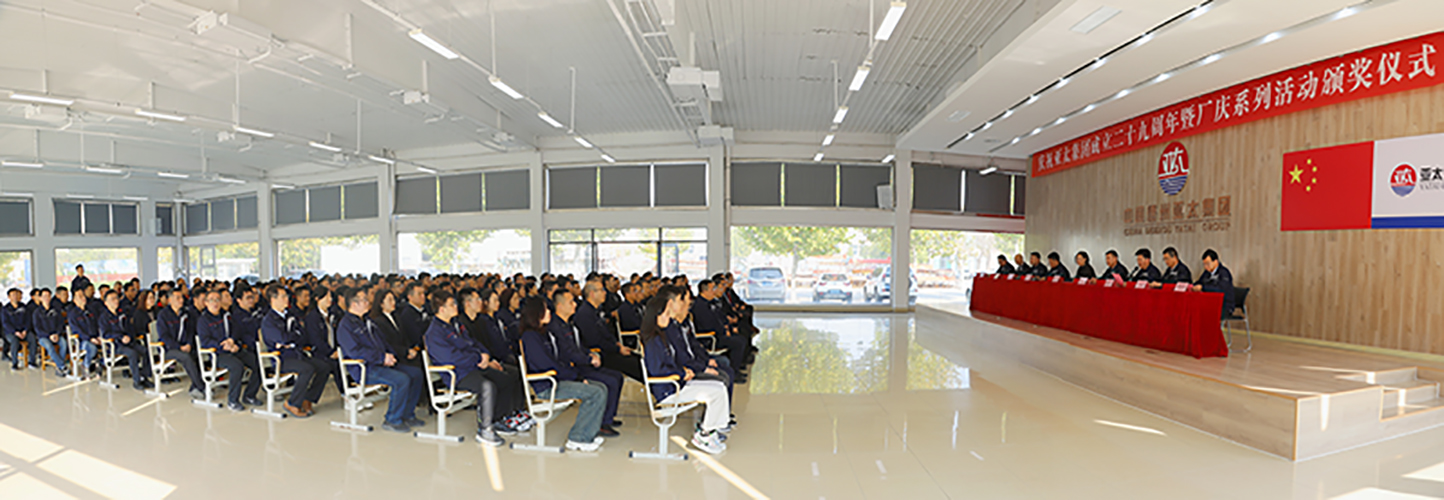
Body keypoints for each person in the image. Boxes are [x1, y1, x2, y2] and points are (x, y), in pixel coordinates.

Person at [640, 286, 731, 455]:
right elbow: (656, 370)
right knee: (716, 393)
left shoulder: (662, 336)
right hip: (669, 390)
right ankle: (704, 435)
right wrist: (682, 373)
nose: (669, 318)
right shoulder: (653, 341)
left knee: (719, 388)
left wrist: (683, 372)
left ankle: (709, 431)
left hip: (677, 383)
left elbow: (670, 363)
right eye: (666, 315)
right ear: (655, 317)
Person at [517, 300, 608, 452]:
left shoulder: (543, 334)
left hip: (555, 380)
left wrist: (575, 375)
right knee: (595, 393)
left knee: (600, 387)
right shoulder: (530, 337)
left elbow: (557, 361)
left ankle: (588, 434)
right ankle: (578, 438)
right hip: (547, 385)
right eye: (545, 310)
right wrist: (575, 377)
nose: (549, 313)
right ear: (536, 315)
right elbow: (547, 365)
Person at [336, 287, 426, 433]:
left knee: (416, 373)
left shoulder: (367, 321)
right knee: (401, 380)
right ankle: (392, 419)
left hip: (380, 364)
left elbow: (383, 342)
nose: (368, 302)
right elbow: (356, 352)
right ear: (353, 305)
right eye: (364, 300)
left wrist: (390, 355)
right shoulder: (346, 326)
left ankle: (408, 414)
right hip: (365, 369)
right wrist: (381, 358)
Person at [424, 292, 506, 445]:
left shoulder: (455, 324)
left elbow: (472, 341)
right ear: (441, 309)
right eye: (452, 305)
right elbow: (452, 359)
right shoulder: (434, 333)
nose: (456, 306)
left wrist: (484, 354)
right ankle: (485, 430)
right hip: (457, 375)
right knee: (487, 387)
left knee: (504, 378)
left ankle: (499, 420)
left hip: (471, 367)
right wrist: (478, 359)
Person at [547, 289, 624, 437]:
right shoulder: (555, 327)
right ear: (560, 306)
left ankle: (607, 418)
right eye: (571, 302)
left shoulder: (569, 324)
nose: (575, 304)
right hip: (572, 370)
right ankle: (602, 423)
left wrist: (590, 353)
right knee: (610, 381)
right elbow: (567, 353)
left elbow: (578, 347)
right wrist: (588, 359)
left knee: (617, 376)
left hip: (581, 364)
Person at [260, 285, 331, 418]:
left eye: (286, 296)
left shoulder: (290, 315)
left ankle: (308, 399)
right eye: (283, 297)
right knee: (307, 369)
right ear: (273, 299)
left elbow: (303, 336)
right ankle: (292, 403)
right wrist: (291, 339)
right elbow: (284, 339)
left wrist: (291, 341)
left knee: (324, 367)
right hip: (281, 359)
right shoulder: (269, 321)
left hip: (297, 354)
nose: (287, 299)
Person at [197, 290, 262, 411]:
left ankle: (249, 395)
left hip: (232, 348)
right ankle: (233, 400)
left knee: (258, 363)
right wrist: (223, 346)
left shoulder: (226, 315)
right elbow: (205, 341)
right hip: (216, 354)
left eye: (217, 299)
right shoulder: (203, 320)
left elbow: (236, 330)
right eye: (211, 300)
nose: (215, 303)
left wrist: (233, 341)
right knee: (237, 366)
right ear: (206, 303)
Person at [576, 281, 643, 382]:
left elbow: (607, 333)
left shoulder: (597, 311)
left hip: (610, 349)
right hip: (600, 353)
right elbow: (594, 340)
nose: (605, 293)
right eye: (602, 290)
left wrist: (619, 345)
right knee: (635, 365)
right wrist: (617, 349)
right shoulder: (585, 314)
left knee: (639, 359)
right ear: (592, 294)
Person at [96, 290, 152, 390]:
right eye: (112, 299)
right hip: (115, 345)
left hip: (128, 342)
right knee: (132, 353)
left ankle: (145, 377)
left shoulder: (122, 314)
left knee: (145, 351)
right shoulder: (104, 317)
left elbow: (130, 327)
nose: (116, 301)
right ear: (106, 303)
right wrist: (120, 337)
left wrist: (130, 336)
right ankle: (137, 380)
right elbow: (106, 334)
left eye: (117, 298)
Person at [155, 289, 204, 399]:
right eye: (178, 298)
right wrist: (179, 347)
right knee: (186, 357)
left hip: (184, 347)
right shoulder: (163, 315)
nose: (181, 300)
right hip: (168, 349)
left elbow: (190, 331)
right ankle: (201, 387)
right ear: (169, 300)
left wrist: (188, 344)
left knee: (196, 354)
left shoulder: (186, 314)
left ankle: (195, 386)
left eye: (182, 297)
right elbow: (164, 336)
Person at [369, 290, 421, 368]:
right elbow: (388, 344)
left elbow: (404, 336)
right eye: (390, 300)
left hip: (404, 353)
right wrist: (405, 351)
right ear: (381, 304)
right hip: (394, 356)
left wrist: (410, 349)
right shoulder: (378, 322)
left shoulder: (396, 316)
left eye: (394, 300)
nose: (393, 303)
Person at [31, 289, 68, 376]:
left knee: (64, 343)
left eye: (48, 296)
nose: (46, 298)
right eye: (44, 296)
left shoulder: (56, 310)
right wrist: (49, 335)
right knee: (49, 346)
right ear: (40, 298)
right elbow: (37, 328)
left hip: (56, 335)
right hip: (43, 337)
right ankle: (62, 366)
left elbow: (60, 324)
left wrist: (57, 333)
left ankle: (59, 367)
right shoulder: (37, 313)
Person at [1193, 249, 1236, 318]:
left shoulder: (1224, 273)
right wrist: (1192, 286)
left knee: (1205, 313)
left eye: (1208, 263)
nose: (1205, 266)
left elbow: (1220, 289)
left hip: (1224, 305)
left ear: (1216, 261)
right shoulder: (1207, 273)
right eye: (1204, 264)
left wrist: (1203, 288)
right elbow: (1200, 282)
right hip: (1209, 303)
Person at [4, 288, 35, 370]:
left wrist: (25, 330)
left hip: (24, 331)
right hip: (11, 332)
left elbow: (28, 320)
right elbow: (5, 323)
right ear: (9, 297)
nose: (15, 297)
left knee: (32, 338)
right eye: (13, 295)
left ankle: (32, 361)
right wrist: (16, 332)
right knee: (14, 341)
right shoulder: (5, 309)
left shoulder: (24, 307)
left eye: (17, 294)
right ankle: (14, 363)